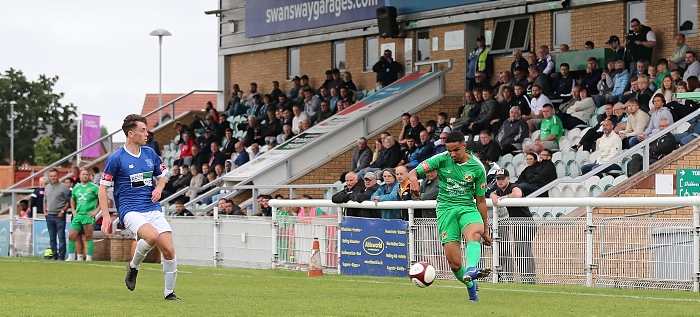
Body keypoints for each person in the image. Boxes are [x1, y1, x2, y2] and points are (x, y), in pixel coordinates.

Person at [98, 114, 180, 300]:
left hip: (152, 207)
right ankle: (134, 267)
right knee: (151, 237)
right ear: (131, 133)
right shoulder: (116, 158)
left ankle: (169, 294)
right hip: (130, 209)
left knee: (168, 250)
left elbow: (163, 177)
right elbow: (102, 189)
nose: (147, 133)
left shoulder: (150, 153)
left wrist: (158, 189)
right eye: (143, 130)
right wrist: (105, 215)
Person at [408, 131, 492, 302]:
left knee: (474, 234)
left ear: (464, 146)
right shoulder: (441, 159)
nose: (452, 154)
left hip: (467, 207)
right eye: (450, 150)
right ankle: (471, 285)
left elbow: (481, 200)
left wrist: (485, 228)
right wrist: (414, 179)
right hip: (446, 209)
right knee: (454, 264)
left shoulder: (477, 167)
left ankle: (472, 269)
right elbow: (413, 172)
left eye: (456, 150)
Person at [489, 169, 536, 283]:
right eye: (498, 179)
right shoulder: (499, 190)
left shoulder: (513, 187)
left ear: (508, 179)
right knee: (520, 251)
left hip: (526, 222)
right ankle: (526, 278)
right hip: (516, 223)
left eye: (502, 178)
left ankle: (529, 278)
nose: (500, 181)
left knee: (523, 251)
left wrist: (504, 198)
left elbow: (517, 194)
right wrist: (493, 196)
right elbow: (492, 194)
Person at [66, 168, 100, 262]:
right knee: (72, 236)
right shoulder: (76, 187)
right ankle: (72, 256)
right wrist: (73, 210)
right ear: (80, 176)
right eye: (83, 174)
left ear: (89, 176)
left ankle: (89, 257)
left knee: (88, 237)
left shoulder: (94, 187)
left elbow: (102, 199)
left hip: (88, 215)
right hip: (78, 215)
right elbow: (72, 199)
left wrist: (96, 211)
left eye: (86, 174)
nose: (85, 176)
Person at [44, 168, 71, 260]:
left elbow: (68, 201)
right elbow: (45, 200)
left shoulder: (64, 187)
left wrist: (63, 211)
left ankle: (61, 256)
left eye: (54, 176)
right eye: (51, 176)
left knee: (61, 237)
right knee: (52, 238)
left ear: (58, 176)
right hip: (49, 215)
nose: (53, 177)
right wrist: (45, 211)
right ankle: (54, 255)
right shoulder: (47, 187)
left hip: (59, 215)